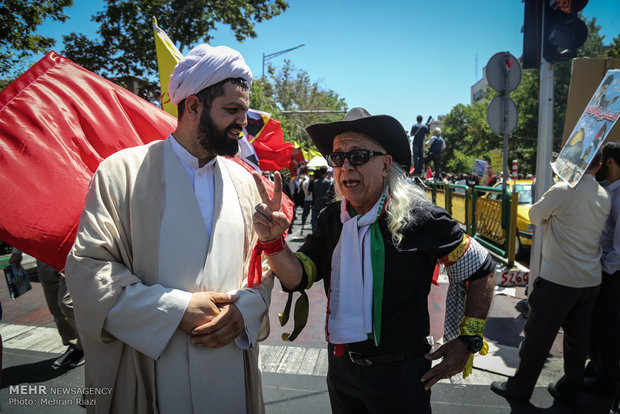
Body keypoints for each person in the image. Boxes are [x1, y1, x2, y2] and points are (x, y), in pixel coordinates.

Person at [65, 44, 274, 413]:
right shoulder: (121, 174)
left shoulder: (246, 183)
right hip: (152, 373)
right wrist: (173, 310)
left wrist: (248, 310)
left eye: (244, 111)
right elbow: (88, 269)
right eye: (232, 110)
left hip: (231, 375)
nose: (243, 124)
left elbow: (261, 268)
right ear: (193, 106)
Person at [252, 107, 496, 413]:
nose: (346, 166)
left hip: (402, 377)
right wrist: (273, 242)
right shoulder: (332, 220)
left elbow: (482, 268)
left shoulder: (421, 218)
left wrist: (467, 339)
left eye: (359, 155)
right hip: (342, 371)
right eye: (338, 157)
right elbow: (296, 276)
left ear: (385, 164)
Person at [490, 152, 610, 405]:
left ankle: (519, 388)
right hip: (590, 279)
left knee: (538, 336)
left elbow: (535, 216)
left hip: (559, 279)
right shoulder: (604, 195)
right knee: (578, 340)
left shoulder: (563, 190)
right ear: (599, 165)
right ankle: (570, 390)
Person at [9, 248, 84, 368]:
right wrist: (17, 252)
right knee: (54, 303)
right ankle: (73, 344)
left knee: (66, 303)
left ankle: (85, 344)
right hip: (43, 253)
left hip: (67, 249)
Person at [586, 141, 620, 395]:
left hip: (612, 273)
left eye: (601, 161)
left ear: (610, 162)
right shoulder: (610, 189)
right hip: (604, 270)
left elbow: (618, 249)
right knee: (596, 324)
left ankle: (605, 379)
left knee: (607, 327)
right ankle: (597, 366)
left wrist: (603, 270)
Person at [310, 166, 334, 230]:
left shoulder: (315, 182)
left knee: (314, 220)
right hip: (324, 203)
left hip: (316, 202)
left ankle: (314, 233)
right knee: (324, 220)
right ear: (326, 172)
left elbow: (314, 193)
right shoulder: (328, 182)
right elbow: (330, 194)